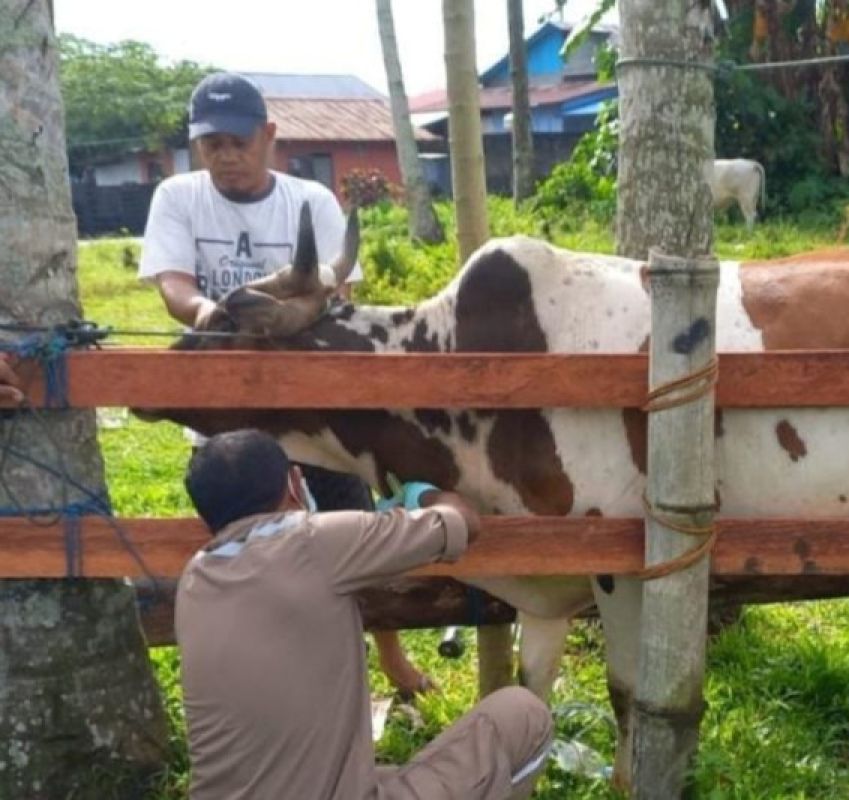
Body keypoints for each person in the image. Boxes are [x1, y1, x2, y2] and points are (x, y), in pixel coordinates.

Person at [137, 71, 432, 696]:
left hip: (312, 407)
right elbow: (171, 281)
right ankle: (258, 661)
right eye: (211, 142)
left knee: (353, 521)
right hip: (223, 406)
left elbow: (328, 291)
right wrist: (207, 313)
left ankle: (391, 654)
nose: (225, 155)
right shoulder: (178, 196)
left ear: (268, 135)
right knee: (234, 535)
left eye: (238, 140)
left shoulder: (313, 202)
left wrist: (280, 311)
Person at [178, 429, 553, 800]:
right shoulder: (317, 543)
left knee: (379, 771)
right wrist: (420, 494)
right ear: (295, 484)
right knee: (523, 715)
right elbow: (462, 521)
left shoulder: (194, 581)